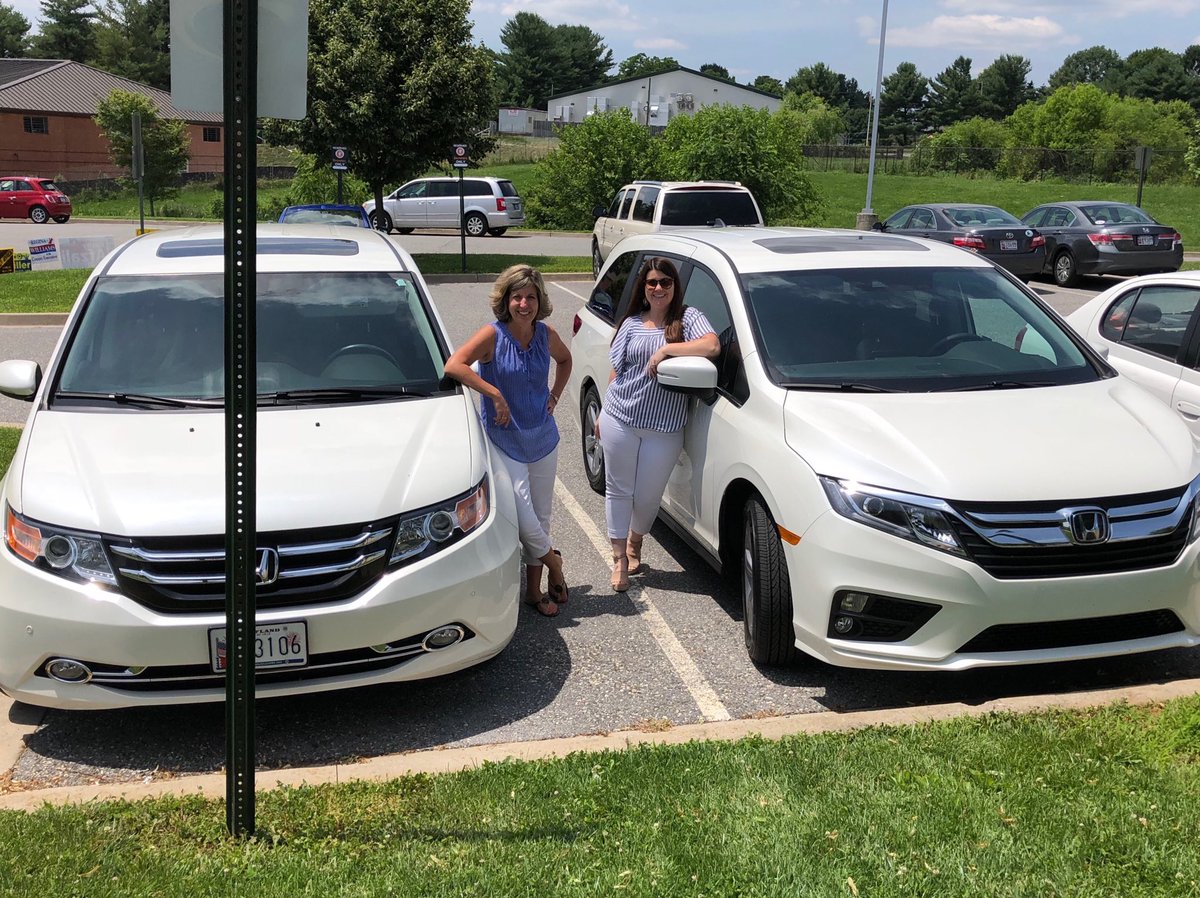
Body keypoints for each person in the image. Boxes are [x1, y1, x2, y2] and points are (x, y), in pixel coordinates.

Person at [444, 265, 573, 617]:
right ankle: (555, 563)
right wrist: (493, 393)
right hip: (505, 442)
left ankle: (533, 591)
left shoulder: (546, 334)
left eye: (531, 297)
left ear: (539, 301)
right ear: (506, 300)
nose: (524, 304)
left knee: (541, 518)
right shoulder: (492, 335)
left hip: (544, 439)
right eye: (517, 296)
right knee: (522, 517)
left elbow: (565, 360)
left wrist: (556, 396)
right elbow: (454, 365)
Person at [597, 257, 720, 592]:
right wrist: (602, 412)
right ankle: (620, 557)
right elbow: (617, 371)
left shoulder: (687, 318)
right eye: (652, 282)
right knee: (619, 490)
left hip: (664, 427)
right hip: (620, 417)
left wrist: (667, 349)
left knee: (648, 497)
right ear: (644, 287)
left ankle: (637, 540)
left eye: (665, 282)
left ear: (674, 286)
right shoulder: (632, 323)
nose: (658, 288)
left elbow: (711, 346)